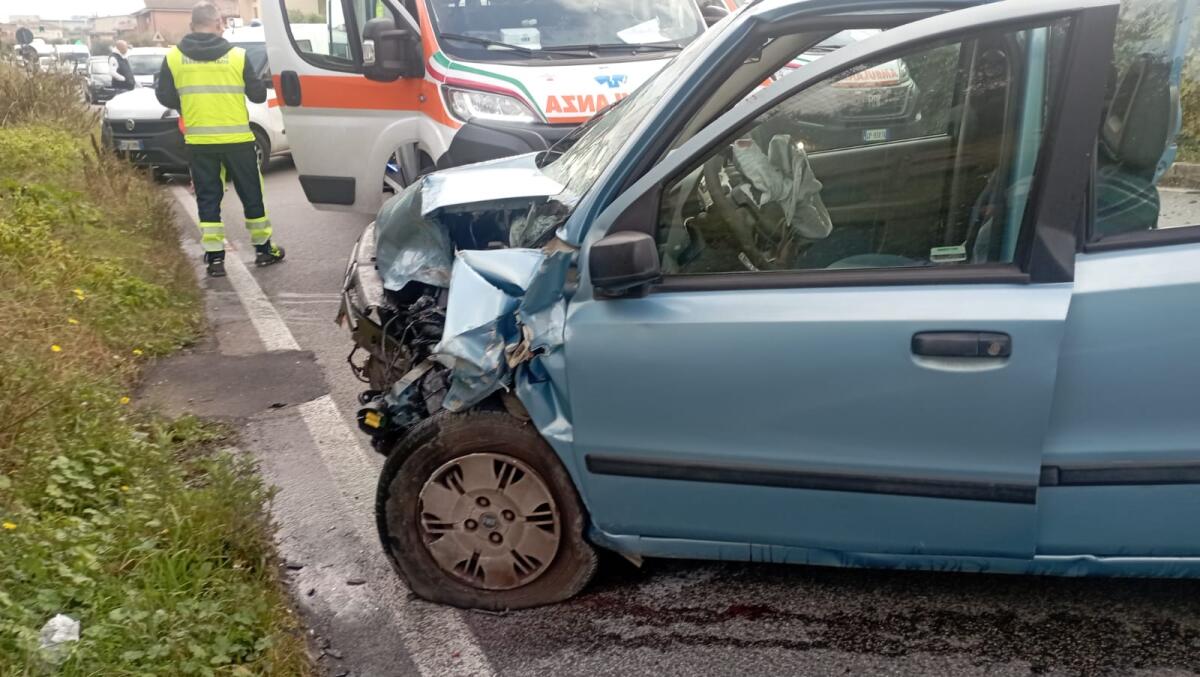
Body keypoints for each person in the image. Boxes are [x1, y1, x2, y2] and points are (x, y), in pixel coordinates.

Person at [154, 1, 285, 278]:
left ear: (191, 26)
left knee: (208, 197)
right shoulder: (237, 56)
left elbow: (163, 96)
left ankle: (215, 259)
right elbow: (259, 96)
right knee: (251, 194)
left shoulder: (174, 57)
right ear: (218, 25)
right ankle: (263, 251)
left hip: (200, 143)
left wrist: (190, 106)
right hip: (237, 140)